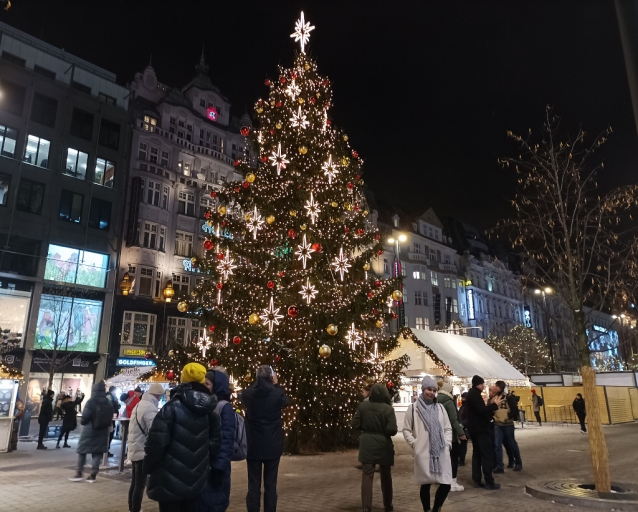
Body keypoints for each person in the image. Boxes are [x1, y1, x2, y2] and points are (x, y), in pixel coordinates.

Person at [145, 363, 222, 512]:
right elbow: (216, 442)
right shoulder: (211, 411)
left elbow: (156, 443)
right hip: (196, 479)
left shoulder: (170, 408)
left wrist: (148, 467)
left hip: (169, 480)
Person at [241, 365, 290, 512]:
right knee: (270, 485)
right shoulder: (277, 393)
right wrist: (277, 384)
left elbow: (243, 397)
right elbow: (286, 402)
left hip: (253, 444)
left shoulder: (248, 394)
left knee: (253, 485)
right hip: (272, 445)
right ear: (271, 377)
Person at [403, 376, 453, 512]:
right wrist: (415, 444)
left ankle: (436, 508)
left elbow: (448, 428)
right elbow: (406, 429)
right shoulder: (413, 408)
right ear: (423, 389)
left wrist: (448, 443)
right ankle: (426, 510)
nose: (431, 392)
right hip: (423, 452)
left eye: (433, 390)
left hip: (441, 451)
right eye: (428, 389)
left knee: (446, 483)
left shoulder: (441, 408)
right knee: (425, 484)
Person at [352, 382, 397, 512]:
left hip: (367, 443)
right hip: (384, 444)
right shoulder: (388, 409)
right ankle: (387, 504)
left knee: (367, 475)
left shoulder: (363, 406)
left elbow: (355, 424)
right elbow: (392, 430)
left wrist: (366, 428)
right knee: (386, 475)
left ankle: (366, 506)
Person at [199, 369, 237, 512]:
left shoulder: (224, 407)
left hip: (216, 468)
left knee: (214, 503)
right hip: (206, 465)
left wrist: (219, 467)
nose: (205, 387)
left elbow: (227, 440)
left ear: (217, 385)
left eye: (207, 384)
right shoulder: (207, 403)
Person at [128, 382, 164, 512]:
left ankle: (132, 507)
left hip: (134, 447)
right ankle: (135, 509)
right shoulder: (150, 408)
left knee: (135, 482)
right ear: (157, 395)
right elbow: (154, 430)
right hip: (142, 449)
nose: (160, 399)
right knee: (140, 484)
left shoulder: (139, 404)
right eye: (160, 396)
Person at [69, 381, 113, 483]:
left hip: (90, 430)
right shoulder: (108, 401)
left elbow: (85, 418)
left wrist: (84, 422)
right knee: (97, 453)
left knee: (82, 451)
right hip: (103, 431)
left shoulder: (91, 402)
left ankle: (79, 473)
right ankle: (93, 475)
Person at [465, 375, 502, 490]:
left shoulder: (472, 394)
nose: (483, 386)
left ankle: (476, 479)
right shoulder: (475, 394)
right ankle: (489, 481)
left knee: (477, 455)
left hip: (474, 429)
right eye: (482, 384)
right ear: (477, 384)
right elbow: (481, 411)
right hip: (480, 429)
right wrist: (494, 406)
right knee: (486, 455)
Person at [437, 382, 466, 492]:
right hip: (450, 435)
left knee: (443, 458)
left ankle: (443, 480)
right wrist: (461, 433)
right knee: (453, 458)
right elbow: (453, 420)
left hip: (438, 434)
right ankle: (452, 482)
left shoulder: (435, 400)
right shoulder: (449, 401)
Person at [492, 381, 522, 472]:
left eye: (498, 386)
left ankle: (518, 463)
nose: (496, 388)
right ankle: (499, 466)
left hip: (507, 424)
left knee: (511, 443)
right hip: (497, 424)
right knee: (497, 445)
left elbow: (515, 410)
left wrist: (506, 416)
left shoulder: (509, 397)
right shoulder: (494, 397)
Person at [106, 385, 121, 456]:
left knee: (111, 433)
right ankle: (105, 450)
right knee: (110, 434)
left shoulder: (113, 396)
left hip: (112, 417)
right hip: (110, 417)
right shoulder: (109, 396)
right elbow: (110, 405)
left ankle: (106, 450)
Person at [457, 392, 469, 467]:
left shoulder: (468, 407)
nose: (462, 399)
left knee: (463, 444)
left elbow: (468, 418)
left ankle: (462, 460)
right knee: (461, 445)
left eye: (464, 398)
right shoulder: (463, 407)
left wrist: (462, 424)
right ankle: (460, 459)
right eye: (462, 398)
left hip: (466, 429)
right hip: (462, 427)